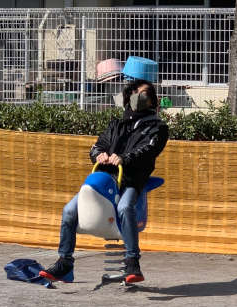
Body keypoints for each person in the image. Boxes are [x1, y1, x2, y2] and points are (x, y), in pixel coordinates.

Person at [39, 79, 169, 283]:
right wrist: (99, 154)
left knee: (125, 207)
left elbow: (149, 150)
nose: (138, 97)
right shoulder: (116, 125)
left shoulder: (157, 128)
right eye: (134, 93)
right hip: (107, 177)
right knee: (69, 211)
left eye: (143, 94)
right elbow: (98, 145)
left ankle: (133, 261)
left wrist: (125, 158)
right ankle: (65, 262)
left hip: (131, 179)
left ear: (152, 100)